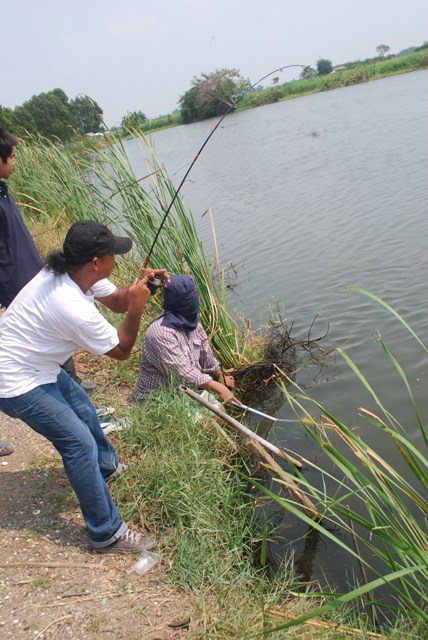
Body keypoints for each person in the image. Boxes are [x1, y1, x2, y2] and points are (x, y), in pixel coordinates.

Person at [0, 219, 168, 553]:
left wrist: (139, 289)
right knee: (78, 443)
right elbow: (120, 350)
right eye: (112, 254)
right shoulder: (69, 303)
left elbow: (118, 300)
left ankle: (107, 468)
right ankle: (106, 532)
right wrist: (138, 306)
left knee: (82, 408)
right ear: (95, 262)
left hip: (37, 366)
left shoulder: (75, 274)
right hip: (14, 381)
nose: (115, 260)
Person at [0, 127, 95, 393]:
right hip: (16, 281)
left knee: (53, 328)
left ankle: (69, 383)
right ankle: (63, 386)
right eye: (11, 155)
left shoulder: (3, 191)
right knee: (50, 329)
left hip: (31, 272)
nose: (14, 159)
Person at [134, 275, 237, 404]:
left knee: (220, 410)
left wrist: (220, 377)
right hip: (157, 398)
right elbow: (182, 373)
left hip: (184, 390)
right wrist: (219, 388)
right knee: (216, 414)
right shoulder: (160, 333)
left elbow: (205, 353)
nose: (195, 300)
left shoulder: (193, 323)